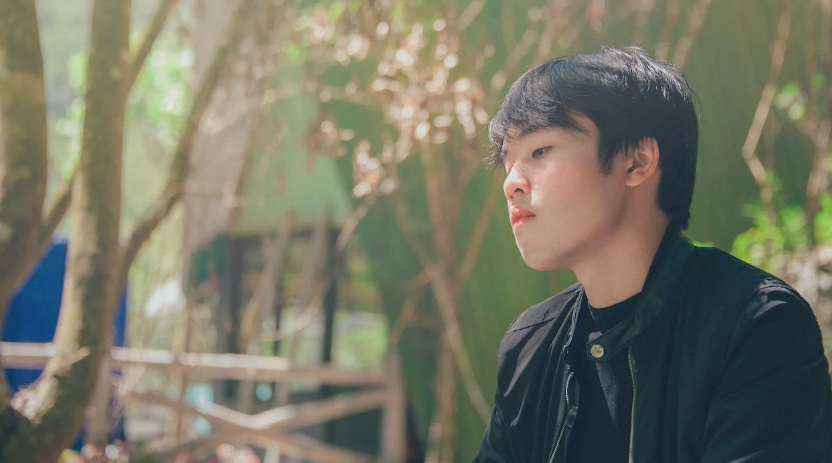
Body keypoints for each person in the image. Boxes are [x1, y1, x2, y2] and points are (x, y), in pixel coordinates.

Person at [472, 47, 832, 463]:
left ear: (637, 161)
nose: (511, 184)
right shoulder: (530, 347)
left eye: (539, 151)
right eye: (507, 163)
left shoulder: (756, 325)